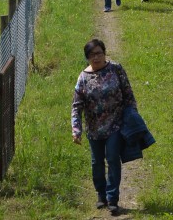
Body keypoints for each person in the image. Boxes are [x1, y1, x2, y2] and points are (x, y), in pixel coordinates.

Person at [72, 39, 137, 215]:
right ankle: (100, 194)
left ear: (105, 53)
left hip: (115, 124)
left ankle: (112, 198)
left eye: (99, 53)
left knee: (113, 158)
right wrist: (76, 129)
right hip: (94, 129)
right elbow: (76, 106)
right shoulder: (83, 78)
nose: (96, 57)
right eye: (92, 55)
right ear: (87, 58)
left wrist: (132, 116)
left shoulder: (116, 69)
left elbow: (128, 94)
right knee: (97, 163)